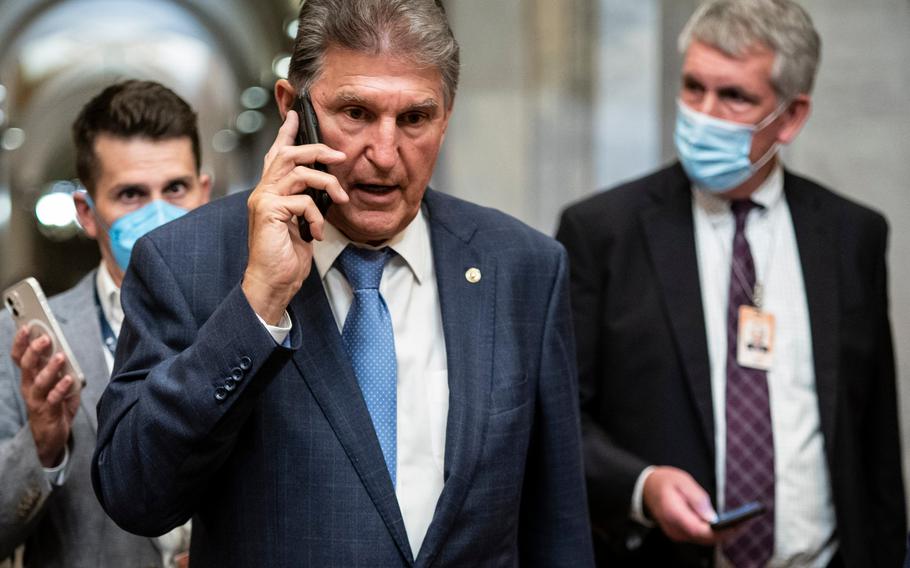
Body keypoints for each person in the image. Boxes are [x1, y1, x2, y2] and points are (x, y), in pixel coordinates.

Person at [91, 1, 593, 566]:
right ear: (291, 109)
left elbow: (559, 528)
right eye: (355, 112)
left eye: (414, 119)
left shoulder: (523, 267)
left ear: (446, 116)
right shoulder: (186, 261)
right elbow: (135, 494)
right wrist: (257, 305)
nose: (383, 155)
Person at [556, 0, 905, 566]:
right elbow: (560, 418)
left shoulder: (851, 236)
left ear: (790, 118)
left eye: (734, 97)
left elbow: (875, 442)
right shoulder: (602, 233)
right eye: (694, 87)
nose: (704, 114)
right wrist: (642, 486)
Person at [0, 80, 211, 567]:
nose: (160, 215)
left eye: (175, 189)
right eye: (132, 194)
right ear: (87, 213)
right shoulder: (26, 342)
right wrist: (43, 444)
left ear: (204, 192)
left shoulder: (259, 323)